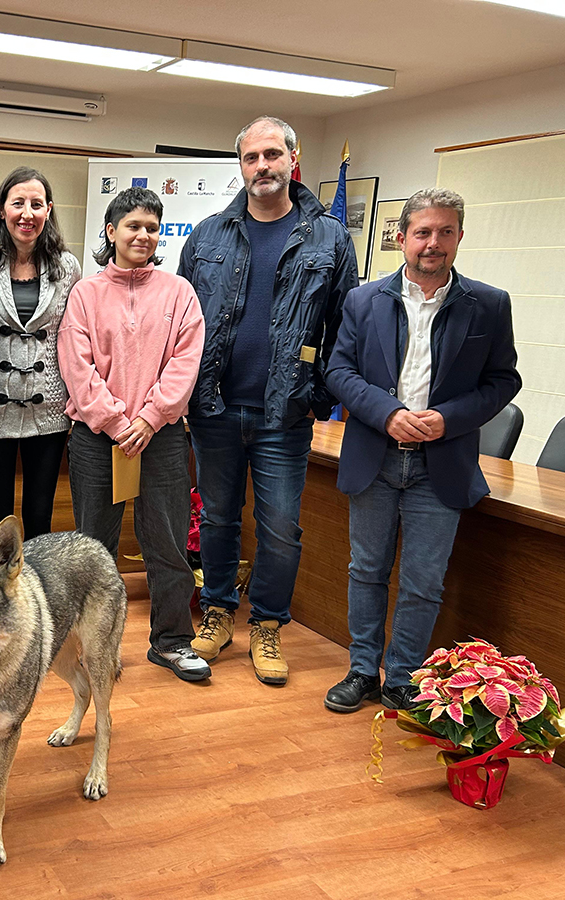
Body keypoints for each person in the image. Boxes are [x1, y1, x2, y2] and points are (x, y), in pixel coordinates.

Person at [323, 189, 520, 713]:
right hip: (376, 457)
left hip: (442, 463)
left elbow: (504, 380)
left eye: (445, 232)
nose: (433, 243)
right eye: (423, 232)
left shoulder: (489, 304)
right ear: (401, 238)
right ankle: (363, 669)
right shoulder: (364, 300)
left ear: (459, 236)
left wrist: (448, 419)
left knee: (423, 580)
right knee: (366, 569)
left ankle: (405, 676)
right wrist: (387, 413)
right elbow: (338, 371)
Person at [177, 115, 358, 686]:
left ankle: (269, 624)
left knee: (281, 527)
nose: (262, 166)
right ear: (241, 166)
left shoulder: (329, 237)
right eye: (252, 157)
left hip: (286, 413)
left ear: (293, 159)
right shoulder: (206, 235)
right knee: (219, 518)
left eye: (272, 155)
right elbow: (180, 321)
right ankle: (218, 612)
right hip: (214, 408)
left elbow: (345, 327)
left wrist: (319, 397)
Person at [58, 187, 207, 683]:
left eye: (151, 227)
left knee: (165, 542)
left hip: (160, 437)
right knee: (93, 549)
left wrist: (150, 417)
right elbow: (76, 367)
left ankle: (171, 641)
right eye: (132, 226)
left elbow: (186, 362)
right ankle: (94, 648)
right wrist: (118, 422)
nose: (142, 235)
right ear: (111, 232)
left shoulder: (179, 292)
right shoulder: (85, 294)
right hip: (97, 438)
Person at [0, 166, 81, 540]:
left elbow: (71, 334)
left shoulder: (67, 267)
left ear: (48, 210)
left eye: (36, 204)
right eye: (18, 203)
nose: (26, 213)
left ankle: (35, 597)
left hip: (47, 406)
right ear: (3, 209)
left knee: (40, 516)